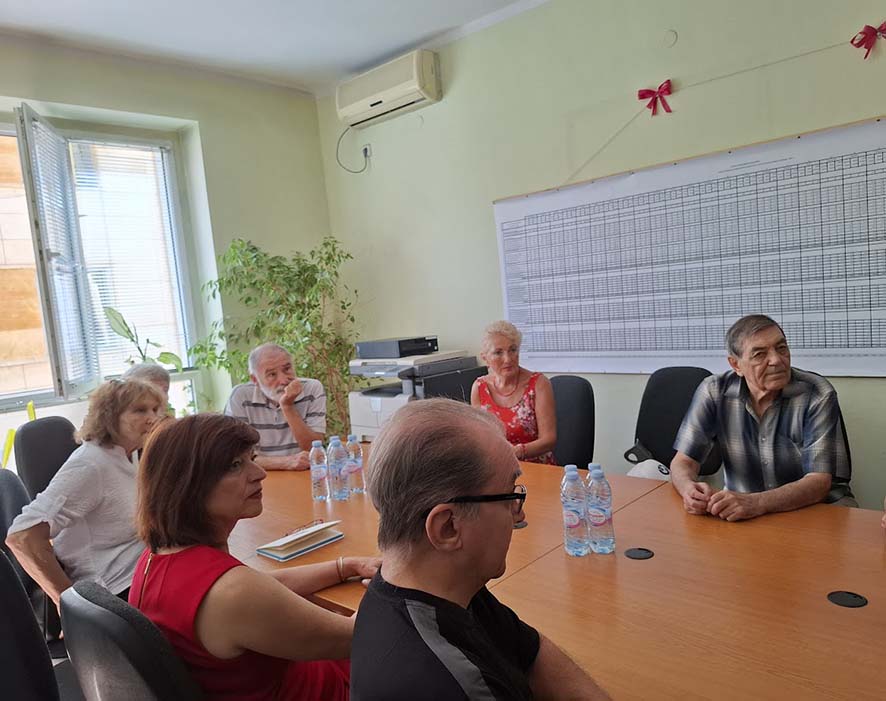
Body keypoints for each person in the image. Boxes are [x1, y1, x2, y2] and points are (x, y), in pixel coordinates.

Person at [352, 399, 608, 700]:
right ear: (448, 527)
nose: (519, 515)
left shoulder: (439, 584)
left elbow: (528, 650)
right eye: (508, 496)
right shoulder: (452, 685)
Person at [131, 413, 379, 701]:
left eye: (251, 458)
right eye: (235, 465)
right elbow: (360, 636)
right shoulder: (233, 593)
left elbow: (266, 587)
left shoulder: (155, 560)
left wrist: (344, 567)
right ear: (187, 485)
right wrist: (390, 585)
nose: (259, 473)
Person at [671, 314, 855, 522]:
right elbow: (683, 462)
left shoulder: (816, 393)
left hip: (815, 507)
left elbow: (819, 482)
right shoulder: (714, 391)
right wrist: (688, 489)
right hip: (742, 511)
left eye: (781, 348)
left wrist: (757, 503)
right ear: (736, 365)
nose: (776, 360)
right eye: (759, 354)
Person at [6, 379, 165, 606]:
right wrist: (69, 604)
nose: (153, 418)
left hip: (144, 570)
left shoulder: (129, 456)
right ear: (110, 416)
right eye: (140, 410)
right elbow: (23, 536)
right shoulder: (91, 464)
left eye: (155, 409)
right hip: (115, 590)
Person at [224, 343, 325, 471]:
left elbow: (313, 449)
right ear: (255, 380)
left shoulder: (312, 389)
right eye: (272, 374)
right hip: (257, 475)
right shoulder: (240, 396)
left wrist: (287, 406)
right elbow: (234, 457)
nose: (284, 380)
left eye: (287, 369)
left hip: (302, 473)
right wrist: (285, 462)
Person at [471, 321, 556, 464]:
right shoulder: (479, 388)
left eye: (512, 350)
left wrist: (516, 452)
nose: (508, 359)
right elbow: (479, 438)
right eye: (498, 352)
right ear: (485, 358)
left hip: (536, 467)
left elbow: (549, 440)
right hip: (497, 466)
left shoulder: (539, 384)